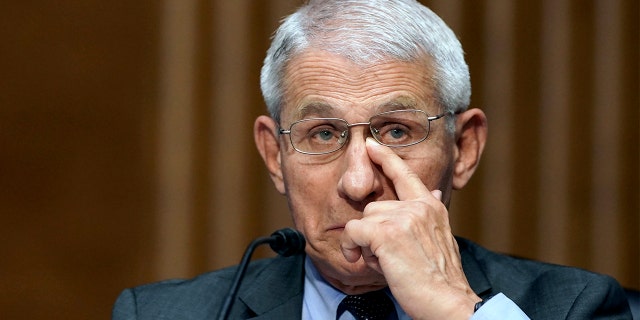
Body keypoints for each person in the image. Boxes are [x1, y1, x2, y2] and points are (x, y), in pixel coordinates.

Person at [112, 0, 632, 319]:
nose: (359, 183)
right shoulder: (159, 315)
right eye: (321, 134)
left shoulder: (574, 308)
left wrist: (456, 312)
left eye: (397, 131)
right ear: (275, 155)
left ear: (464, 149)